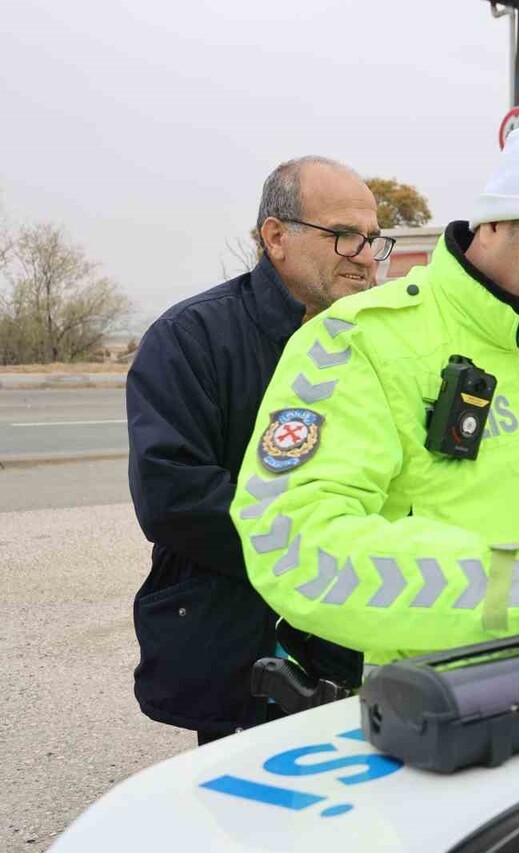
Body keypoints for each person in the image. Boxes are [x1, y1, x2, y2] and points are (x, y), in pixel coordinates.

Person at [230, 119, 519, 664]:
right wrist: (518, 587)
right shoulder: (359, 341)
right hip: (436, 698)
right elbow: (292, 543)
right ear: (496, 219)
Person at [127, 156, 384, 744]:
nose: (367, 257)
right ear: (276, 237)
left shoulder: (379, 341)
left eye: (373, 239)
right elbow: (172, 493)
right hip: (240, 643)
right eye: (345, 235)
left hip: (362, 637)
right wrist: (316, 550)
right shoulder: (192, 337)